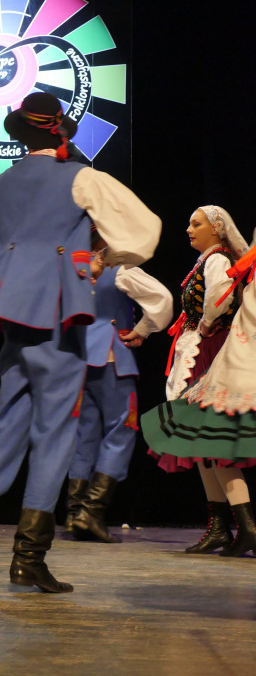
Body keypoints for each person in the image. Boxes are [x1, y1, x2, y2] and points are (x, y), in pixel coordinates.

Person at [0, 91, 161, 593]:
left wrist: (18, 262)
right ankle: (28, 557)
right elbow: (145, 234)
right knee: (56, 429)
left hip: (14, 312)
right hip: (59, 312)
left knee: (9, 419)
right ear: (60, 132)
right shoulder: (82, 178)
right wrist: (99, 259)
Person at [140, 206, 254, 556]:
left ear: (217, 229)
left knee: (212, 444)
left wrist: (204, 326)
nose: (189, 228)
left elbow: (219, 298)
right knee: (200, 444)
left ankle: (247, 526)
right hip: (200, 348)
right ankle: (220, 526)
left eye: (197, 223)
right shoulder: (207, 259)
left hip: (210, 350)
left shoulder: (217, 259)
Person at [65, 244, 173, 542]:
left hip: (75, 359)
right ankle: (91, 512)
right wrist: (143, 328)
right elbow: (162, 299)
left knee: (82, 434)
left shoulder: (69, 265)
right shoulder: (118, 269)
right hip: (110, 356)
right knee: (121, 429)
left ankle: (74, 513)